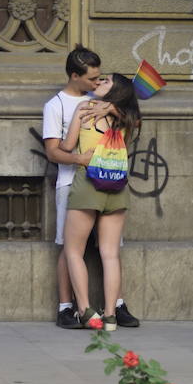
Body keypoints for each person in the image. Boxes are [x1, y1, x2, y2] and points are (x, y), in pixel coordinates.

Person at [43, 47, 139, 328]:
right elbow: (54, 152)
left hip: (87, 184)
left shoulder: (89, 107)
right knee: (99, 251)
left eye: (102, 79)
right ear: (75, 76)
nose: (97, 83)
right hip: (105, 183)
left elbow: (66, 144)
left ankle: (87, 310)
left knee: (75, 249)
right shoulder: (56, 106)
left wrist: (105, 107)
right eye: (94, 78)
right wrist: (77, 158)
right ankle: (99, 311)